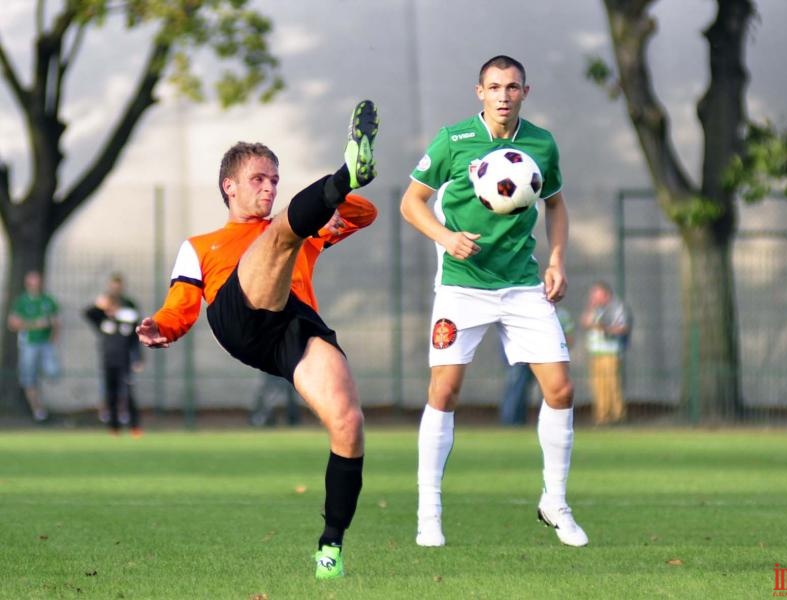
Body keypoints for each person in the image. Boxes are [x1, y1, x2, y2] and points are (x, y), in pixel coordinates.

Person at [135, 99, 379, 580]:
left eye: (274, 179)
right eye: (258, 179)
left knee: (349, 422)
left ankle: (330, 546)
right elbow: (181, 304)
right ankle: (344, 172)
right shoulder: (202, 245)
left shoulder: (304, 229)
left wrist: (334, 202)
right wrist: (162, 326)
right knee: (282, 234)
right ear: (229, 186)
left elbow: (365, 214)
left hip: (292, 325)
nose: (268, 187)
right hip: (237, 317)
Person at [400, 55, 588, 547]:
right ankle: (429, 511)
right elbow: (410, 203)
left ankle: (555, 502)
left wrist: (557, 261)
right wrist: (446, 237)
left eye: (512, 87)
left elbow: (557, 204)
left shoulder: (541, 144)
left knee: (562, 390)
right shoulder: (454, 140)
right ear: (478, 92)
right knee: (444, 392)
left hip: (522, 284)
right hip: (462, 284)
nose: (503, 95)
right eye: (494, 87)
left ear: (526, 91)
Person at [248, 198, 377, 428]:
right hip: (269, 332)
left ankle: (284, 416)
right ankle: (267, 416)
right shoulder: (252, 248)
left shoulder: (308, 239)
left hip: (299, 330)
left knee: (292, 383)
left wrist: (329, 203)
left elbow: (365, 213)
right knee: (278, 381)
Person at [84, 273, 144, 436]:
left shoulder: (129, 310)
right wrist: (99, 305)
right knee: (110, 394)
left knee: (128, 393)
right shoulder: (102, 317)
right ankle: (114, 428)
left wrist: (138, 358)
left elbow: (136, 336)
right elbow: (87, 313)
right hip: (108, 359)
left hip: (125, 359)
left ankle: (135, 426)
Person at [499, 306, 574, 426]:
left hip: (548, 357)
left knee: (552, 389)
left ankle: (551, 423)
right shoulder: (522, 309)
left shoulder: (561, 314)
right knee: (517, 388)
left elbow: (569, 337)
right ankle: (511, 422)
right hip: (521, 356)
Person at [7, 270, 61, 422]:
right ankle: (38, 410)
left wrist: (53, 339)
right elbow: (12, 323)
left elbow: (56, 322)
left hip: (45, 344)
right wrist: (34, 324)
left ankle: (41, 380)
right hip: (29, 344)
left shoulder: (48, 300)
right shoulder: (22, 301)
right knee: (28, 379)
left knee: (53, 372)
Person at [580, 280, 632, 426]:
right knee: (598, 385)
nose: (594, 299)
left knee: (612, 384)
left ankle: (618, 415)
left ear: (606, 295)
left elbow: (623, 328)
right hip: (595, 353)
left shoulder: (616, 308)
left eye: (597, 295)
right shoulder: (595, 309)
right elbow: (585, 322)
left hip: (610, 352)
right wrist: (591, 309)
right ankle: (602, 416)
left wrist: (603, 327)